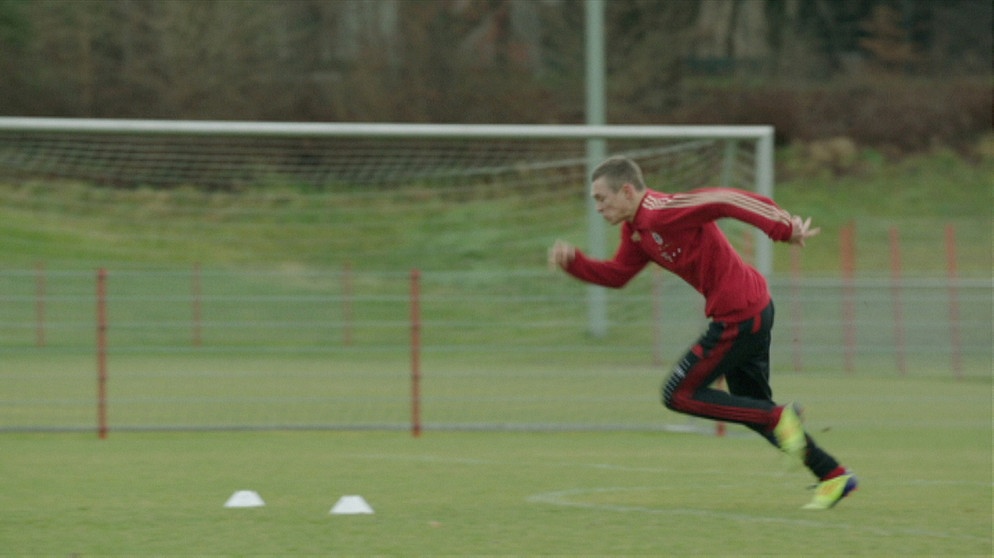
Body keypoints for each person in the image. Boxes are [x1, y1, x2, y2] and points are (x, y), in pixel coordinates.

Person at [548, 155, 857, 510]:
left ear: (628, 190)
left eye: (602, 199)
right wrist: (575, 263)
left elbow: (723, 199)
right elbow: (619, 275)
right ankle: (833, 475)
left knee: (677, 394)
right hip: (749, 312)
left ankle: (781, 418)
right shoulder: (636, 231)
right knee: (754, 411)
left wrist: (782, 228)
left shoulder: (663, 210)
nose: (599, 207)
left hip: (739, 316)